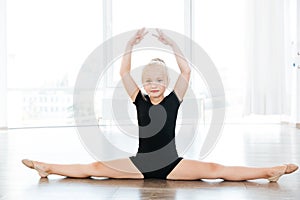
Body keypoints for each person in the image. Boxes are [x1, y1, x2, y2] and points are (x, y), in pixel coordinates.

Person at [22, 28, 298, 182]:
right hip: (140, 164)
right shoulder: (138, 100)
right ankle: (47, 167)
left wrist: (174, 46)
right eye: (149, 80)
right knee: (93, 167)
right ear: (143, 84)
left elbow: (187, 73)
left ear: (166, 83)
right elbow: (123, 74)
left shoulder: (173, 100)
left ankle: (269, 172)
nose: (153, 84)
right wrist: (130, 45)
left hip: (171, 164)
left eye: (159, 80)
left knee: (215, 171)